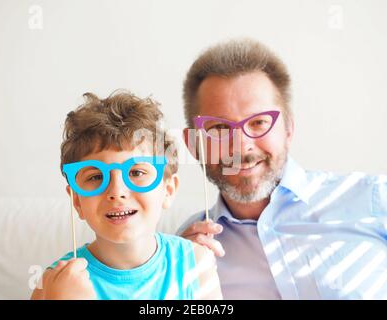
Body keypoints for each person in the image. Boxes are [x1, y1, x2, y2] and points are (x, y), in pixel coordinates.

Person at [178, 38, 387, 299]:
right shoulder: (185, 251)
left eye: (258, 123)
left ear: (288, 128)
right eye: (220, 129)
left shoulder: (374, 200)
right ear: (193, 145)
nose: (242, 147)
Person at [31, 91, 222, 300]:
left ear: (168, 190)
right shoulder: (53, 285)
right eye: (95, 177)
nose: (116, 192)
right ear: (77, 200)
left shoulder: (195, 263)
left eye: (136, 173)